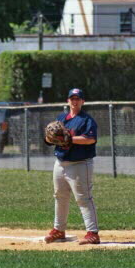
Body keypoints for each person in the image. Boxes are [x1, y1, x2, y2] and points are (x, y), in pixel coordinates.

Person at [44, 88, 100, 245]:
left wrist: (69, 139)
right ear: (68, 101)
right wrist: (50, 138)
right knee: (59, 196)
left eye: (78, 98)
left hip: (80, 163)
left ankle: (93, 233)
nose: (74, 101)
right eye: (72, 98)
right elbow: (51, 138)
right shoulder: (61, 118)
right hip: (60, 163)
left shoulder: (86, 120)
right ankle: (59, 230)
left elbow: (90, 139)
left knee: (83, 198)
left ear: (83, 101)